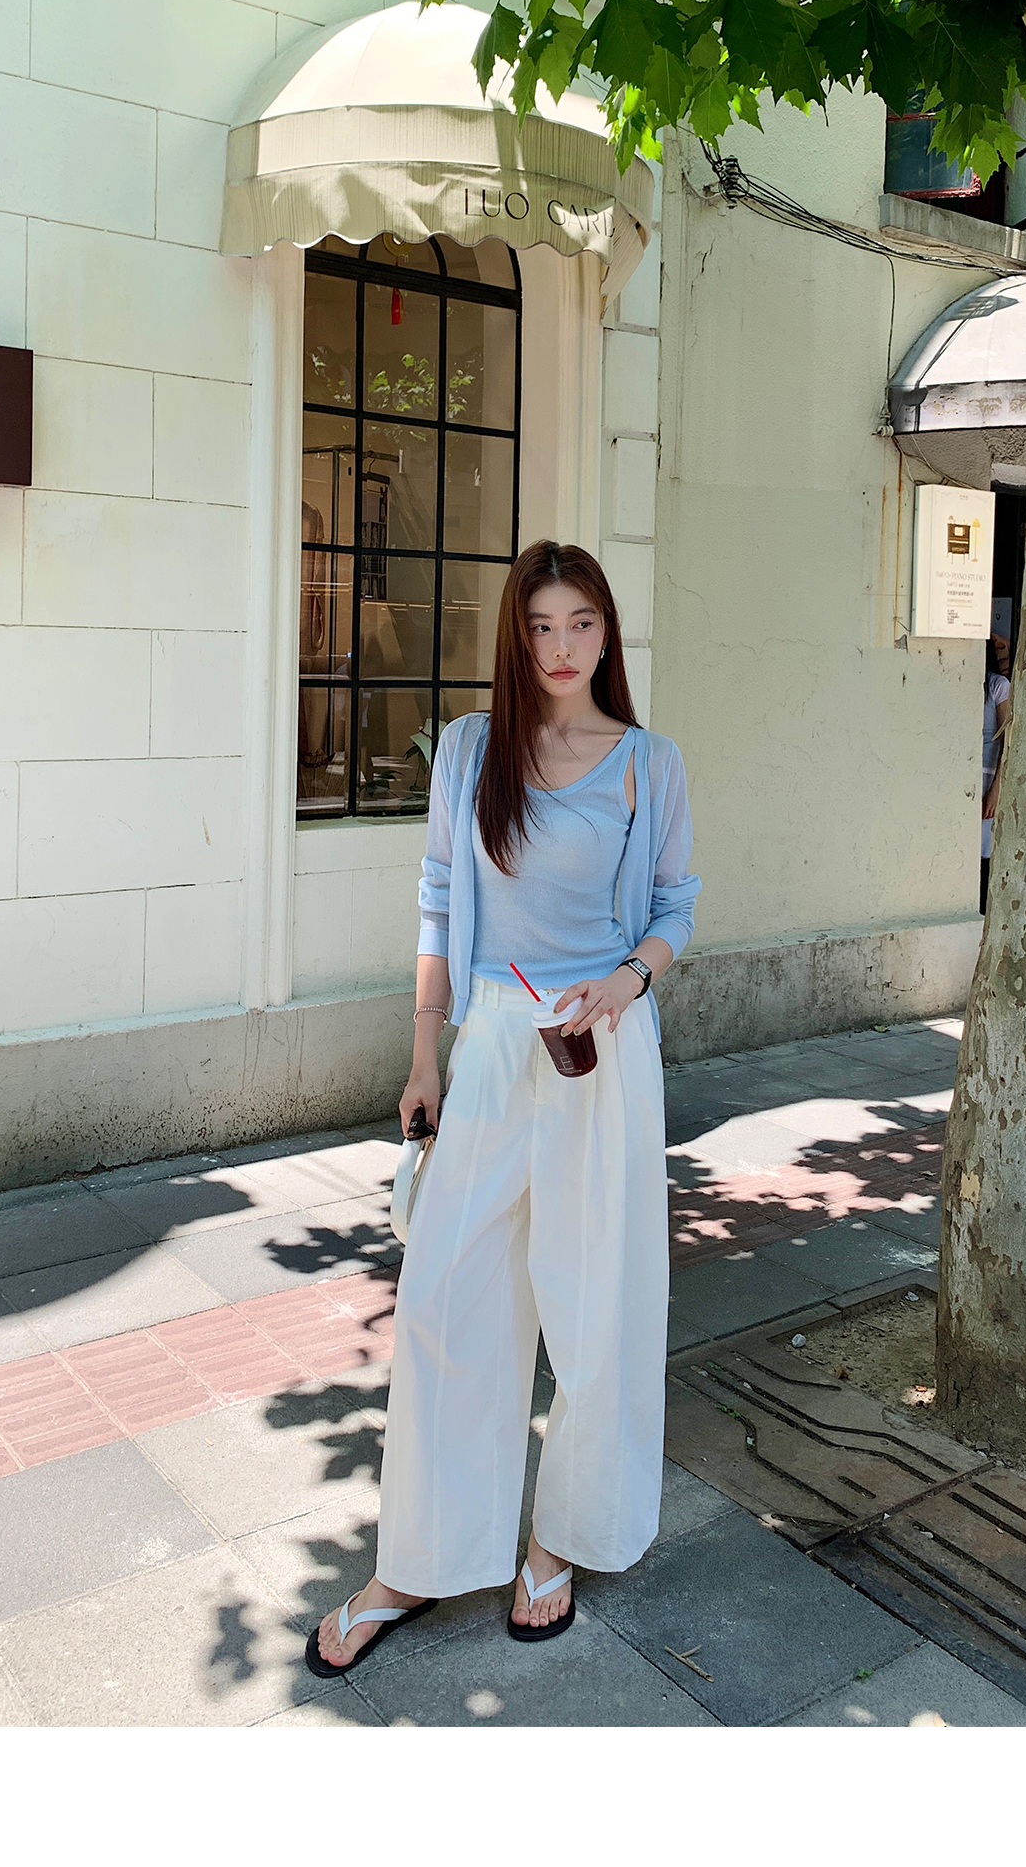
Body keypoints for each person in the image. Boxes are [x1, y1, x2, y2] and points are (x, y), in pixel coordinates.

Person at [307, 540, 701, 1675]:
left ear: (607, 633)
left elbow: (675, 904)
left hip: (598, 1051)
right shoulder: (472, 751)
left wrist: (627, 982)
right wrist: (423, 1055)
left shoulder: (648, 763)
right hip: (486, 1044)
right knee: (444, 1297)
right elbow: (439, 900)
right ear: (514, 638)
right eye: (541, 626)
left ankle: (558, 1539)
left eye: (582, 623)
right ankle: (417, 1560)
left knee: (596, 1307)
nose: (562, 646)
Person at [980, 631, 1012, 913]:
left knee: (984, 855)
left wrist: (996, 789)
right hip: (964, 782)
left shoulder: (997, 686)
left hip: (989, 779)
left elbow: (1007, 739)